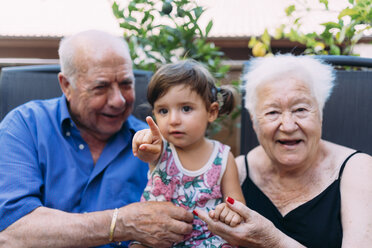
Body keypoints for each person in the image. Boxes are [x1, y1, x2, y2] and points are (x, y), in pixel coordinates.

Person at [0, 30, 194, 248]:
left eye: (126, 84)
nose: (118, 101)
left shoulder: (155, 145)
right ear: (66, 86)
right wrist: (121, 223)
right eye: (101, 87)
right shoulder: (25, 126)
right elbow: (11, 231)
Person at [194, 54, 372, 247]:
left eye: (301, 109)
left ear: (320, 114)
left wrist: (273, 241)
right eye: (272, 112)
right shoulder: (236, 171)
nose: (288, 126)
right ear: (254, 122)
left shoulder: (358, 170)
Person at [131, 60, 246, 247]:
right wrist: (143, 141)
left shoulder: (223, 157)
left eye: (186, 108)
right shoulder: (161, 149)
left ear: (212, 112)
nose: (174, 120)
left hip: (207, 241)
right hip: (157, 239)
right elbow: (148, 153)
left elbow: (237, 205)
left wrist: (230, 211)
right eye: (163, 111)